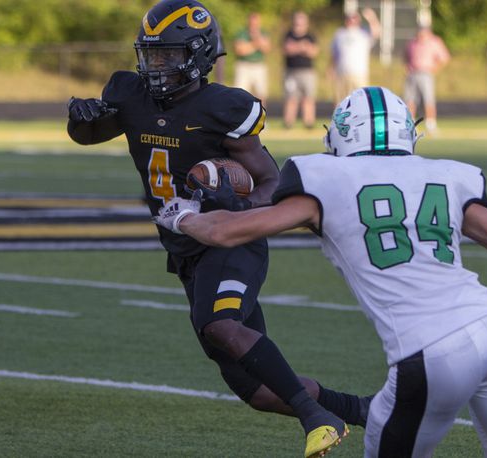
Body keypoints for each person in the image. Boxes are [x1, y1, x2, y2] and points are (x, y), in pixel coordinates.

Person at [155, 86, 487, 458]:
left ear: (340, 134)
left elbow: (227, 234)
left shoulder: (328, 180)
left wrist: (182, 217)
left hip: (429, 352)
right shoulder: (447, 176)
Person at [65, 2, 371, 457]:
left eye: (168, 55)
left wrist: (238, 203)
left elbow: (273, 182)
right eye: (151, 55)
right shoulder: (131, 95)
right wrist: (81, 118)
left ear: (199, 54)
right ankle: (369, 411)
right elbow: (89, 134)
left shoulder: (222, 107)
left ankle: (316, 417)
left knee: (219, 324)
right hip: (186, 249)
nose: (157, 66)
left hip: (231, 238)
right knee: (258, 391)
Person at [403, 26, 450, 134]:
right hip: (412, 73)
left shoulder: (434, 42)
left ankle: (431, 124)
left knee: (428, 99)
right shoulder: (412, 42)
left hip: (426, 73)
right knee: (410, 99)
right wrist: (407, 67)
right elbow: (405, 56)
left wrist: (434, 68)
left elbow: (444, 58)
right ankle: (411, 124)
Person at [329, 8, 380, 104]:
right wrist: (331, 68)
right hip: (341, 73)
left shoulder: (363, 33)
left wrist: (372, 18)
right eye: (349, 18)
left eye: (354, 18)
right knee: (341, 103)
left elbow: (376, 32)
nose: (351, 20)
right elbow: (334, 53)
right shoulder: (339, 33)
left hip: (359, 74)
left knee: (361, 101)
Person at [282, 11, 319, 130]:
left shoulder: (311, 36)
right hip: (291, 72)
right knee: (291, 98)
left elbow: (314, 52)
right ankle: (288, 123)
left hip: (307, 72)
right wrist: (302, 46)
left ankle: (309, 123)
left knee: (308, 98)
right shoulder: (288, 34)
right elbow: (287, 49)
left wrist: (296, 47)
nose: (298, 25)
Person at [233, 12, 271, 104]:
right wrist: (256, 43)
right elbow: (240, 50)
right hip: (244, 66)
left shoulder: (263, 33)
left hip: (258, 65)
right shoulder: (242, 33)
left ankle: (262, 115)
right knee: (240, 94)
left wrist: (250, 45)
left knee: (261, 94)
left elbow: (267, 49)